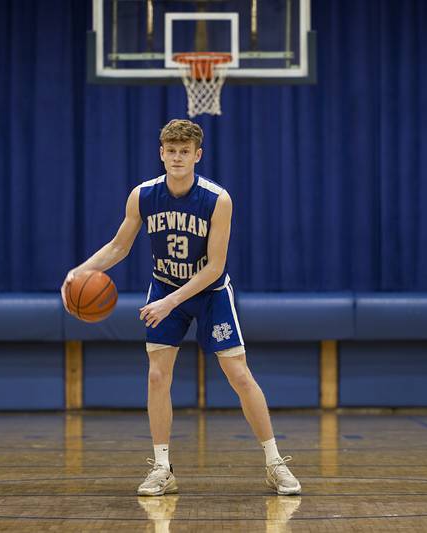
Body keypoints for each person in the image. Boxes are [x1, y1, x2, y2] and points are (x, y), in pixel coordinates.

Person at [61, 119, 301, 496]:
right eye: (170, 151)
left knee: (238, 374)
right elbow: (119, 246)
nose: (177, 157)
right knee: (157, 376)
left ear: (197, 155)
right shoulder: (142, 195)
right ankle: (162, 468)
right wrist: (80, 271)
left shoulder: (217, 199)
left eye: (184, 151)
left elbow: (215, 267)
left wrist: (169, 302)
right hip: (165, 288)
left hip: (209, 292)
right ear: (161, 153)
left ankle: (274, 463)